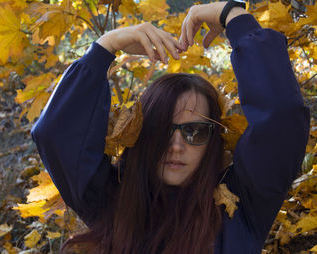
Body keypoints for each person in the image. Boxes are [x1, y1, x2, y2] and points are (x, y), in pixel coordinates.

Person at [30, 2, 310, 253]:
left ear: (212, 140)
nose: (176, 145)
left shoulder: (240, 205)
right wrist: (105, 47)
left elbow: (282, 117)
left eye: (195, 132)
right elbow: (56, 135)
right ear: (143, 133)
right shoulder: (112, 199)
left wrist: (233, 16)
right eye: (164, 130)